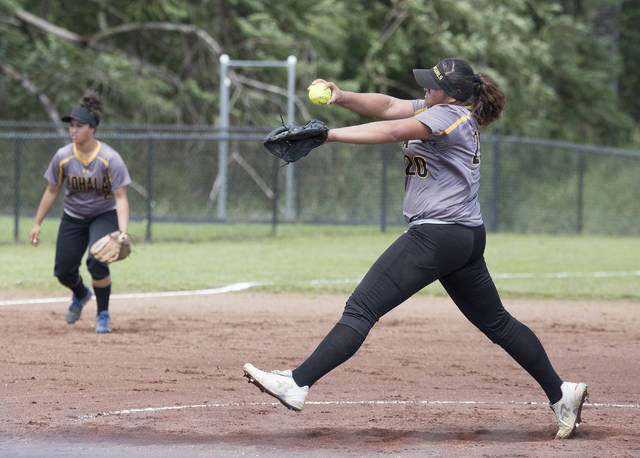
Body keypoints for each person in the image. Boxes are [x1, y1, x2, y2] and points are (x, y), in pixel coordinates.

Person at [243, 58, 588, 439]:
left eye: (432, 84)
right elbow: (389, 107)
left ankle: (298, 383)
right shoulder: (441, 108)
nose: (425, 88)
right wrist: (340, 96)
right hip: (462, 235)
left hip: (438, 235)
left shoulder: (446, 118)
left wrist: (330, 136)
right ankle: (561, 394)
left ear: (453, 93)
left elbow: (393, 129)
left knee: (361, 308)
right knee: (497, 323)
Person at [30, 91, 131, 333]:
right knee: (63, 271)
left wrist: (123, 231)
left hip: (103, 215)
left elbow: (121, 197)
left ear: (92, 129)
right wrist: (37, 223)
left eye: (79, 126)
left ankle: (103, 314)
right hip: (73, 216)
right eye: (71, 126)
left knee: (96, 260)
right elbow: (52, 191)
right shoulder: (63, 157)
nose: (73, 130)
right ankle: (81, 293)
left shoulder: (109, 158)